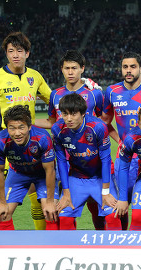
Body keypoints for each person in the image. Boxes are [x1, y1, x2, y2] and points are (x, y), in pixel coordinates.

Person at [0, 32, 52, 241]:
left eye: (19, 51)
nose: (15, 55)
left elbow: (55, 102)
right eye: (11, 51)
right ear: (6, 54)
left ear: (27, 53)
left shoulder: (35, 77)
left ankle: (43, 242)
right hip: (3, 143)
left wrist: (80, 90)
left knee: (36, 197)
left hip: (30, 144)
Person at [39, 49, 108, 231]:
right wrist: (26, 124)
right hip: (64, 154)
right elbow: (53, 122)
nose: (70, 72)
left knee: (95, 205)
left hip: (88, 156)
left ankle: (101, 237)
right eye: (67, 68)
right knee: (66, 203)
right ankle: (66, 244)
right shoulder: (54, 95)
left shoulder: (95, 94)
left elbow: (100, 120)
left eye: (74, 68)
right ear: (61, 69)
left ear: (82, 69)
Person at [103, 52, 141, 230]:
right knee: (123, 198)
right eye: (125, 67)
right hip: (126, 154)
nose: (128, 71)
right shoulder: (112, 91)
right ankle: (124, 240)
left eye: (132, 67)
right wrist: (120, 140)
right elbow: (105, 122)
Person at [50, 93, 121, 230]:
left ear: (83, 113)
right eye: (65, 114)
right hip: (76, 177)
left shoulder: (97, 127)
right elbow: (61, 161)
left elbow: (106, 159)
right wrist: (66, 192)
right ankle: (69, 251)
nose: (69, 119)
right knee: (64, 217)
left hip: (100, 178)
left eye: (73, 114)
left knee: (112, 215)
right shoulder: (58, 130)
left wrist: (105, 192)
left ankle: (115, 250)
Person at [0, 105, 58, 230]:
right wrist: (3, 203)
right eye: (12, 128)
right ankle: (8, 248)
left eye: (21, 127)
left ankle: (52, 248)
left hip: (42, 174)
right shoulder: (0, 141)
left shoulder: (42, 138)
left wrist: (49, 201)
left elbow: (50, 170)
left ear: (29, 127)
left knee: (50, 212)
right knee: (3, 214)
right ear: (7, 128)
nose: (17, 133)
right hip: (18, 173)